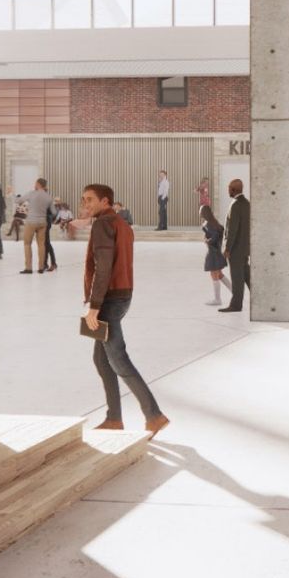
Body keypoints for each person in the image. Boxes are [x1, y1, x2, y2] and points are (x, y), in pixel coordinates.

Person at [80, 184, 169, 437]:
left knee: (118, 359)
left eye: (90, 199)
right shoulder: (121, 223)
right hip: (122, 295)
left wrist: (94, 306)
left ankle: (154, 416)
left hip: (108, 300)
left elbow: (103, 268)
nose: (85, 204)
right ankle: (114, 419)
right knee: (101, 359)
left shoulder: (102, 224)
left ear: (105, 201)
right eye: (83, 199)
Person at [220, 178, 251, 312]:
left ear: (234, 190)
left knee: (237, 278)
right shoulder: (247, 204)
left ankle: (236, 305)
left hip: (236, 249)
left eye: (229, 188)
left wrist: (227, 248)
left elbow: (232, 229)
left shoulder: (236, 205)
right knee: (247, 276)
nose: (228, 190)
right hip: (245, 247)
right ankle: (262, 299)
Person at [20, 178, 53, 274]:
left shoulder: (32, 194)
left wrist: (11, 194)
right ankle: (41, 267)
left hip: (31, 222)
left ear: (38, 184)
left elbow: (19, 200)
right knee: (41, 245)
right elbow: (54, 211)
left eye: (35, 183)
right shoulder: (48, 196)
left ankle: (28, 268)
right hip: (43, 222)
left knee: (27, 244)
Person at [201, 203, 229, 305]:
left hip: (213, 253)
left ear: (204, 213)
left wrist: (207, 241)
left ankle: (217, 299)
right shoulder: (214, 223)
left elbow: (214, 236)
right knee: (220, 274)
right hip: (217, 252)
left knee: (214, 275)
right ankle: (235, 293)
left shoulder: (209, 224)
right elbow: (219, 231)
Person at [41, 185, 60, 273]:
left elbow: (52, 213)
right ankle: (45, 264)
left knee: (47, 243)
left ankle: (53, 263)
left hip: (46, 223)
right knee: (45, 244)